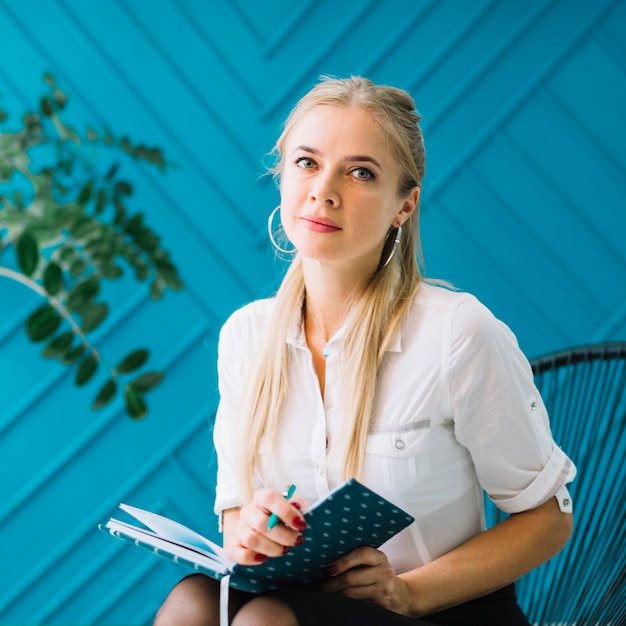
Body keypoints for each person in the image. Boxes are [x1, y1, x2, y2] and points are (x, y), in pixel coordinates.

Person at [154, 76, 576, 626]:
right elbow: (235, 520)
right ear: (282, 174)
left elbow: (549, 520)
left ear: (404, 205)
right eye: (307, 162)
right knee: (193, 604)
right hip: (304, 602)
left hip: (437, 611)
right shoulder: (246, 337)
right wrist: (252, 532)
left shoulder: (456, 333)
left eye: (360, 173)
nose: (323, 190)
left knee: (262, 621)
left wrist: (409, 592)